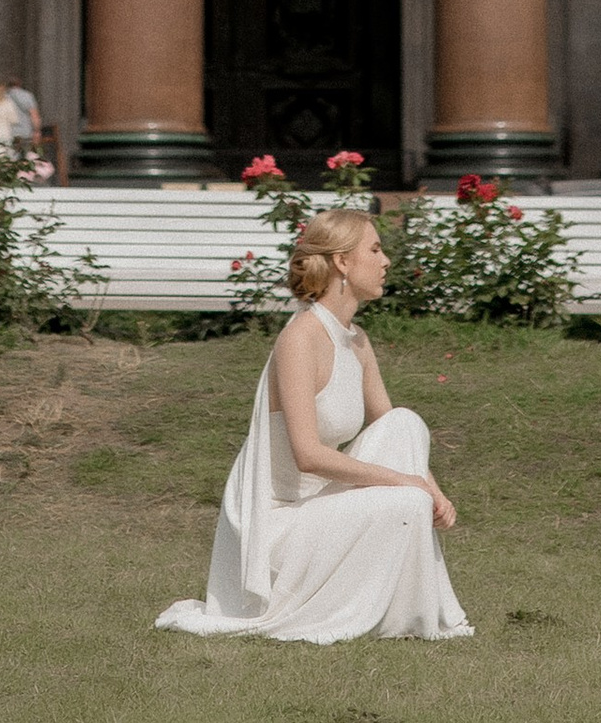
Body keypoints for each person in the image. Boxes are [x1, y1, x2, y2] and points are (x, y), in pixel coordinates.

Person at [157, 208, 468, 643]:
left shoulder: (357, 340)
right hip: (277, 528)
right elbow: (307, 455)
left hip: (319, 507)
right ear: (342, 261)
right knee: (405, 499)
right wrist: (407, 484)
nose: (386, 261)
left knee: (405, 423)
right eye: (375, 250)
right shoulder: (300, 338)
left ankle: (412, 606)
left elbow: (396, 434)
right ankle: (401, 617)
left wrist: (433, 491)